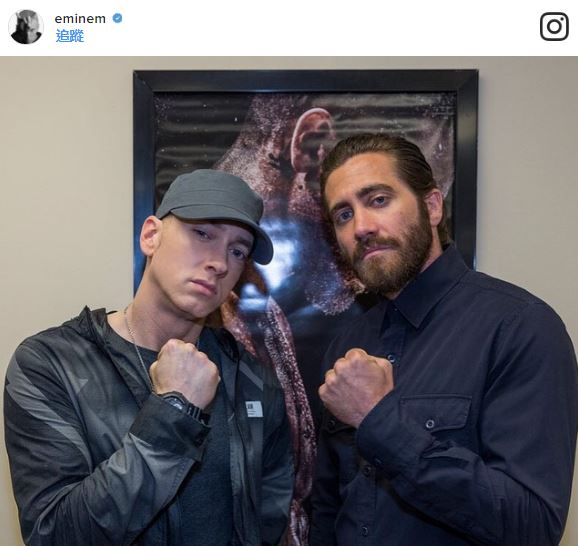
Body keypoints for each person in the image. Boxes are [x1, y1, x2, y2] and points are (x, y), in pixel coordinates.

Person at [309, 134, 578, 545]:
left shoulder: (519, 327)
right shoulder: (347, 345)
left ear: (432, 206)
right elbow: (329, 508)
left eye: (378, 200)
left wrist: (380, 421)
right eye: (343, 215)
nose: (361, 227)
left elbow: (534, 527)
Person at [4, 169, 293, 545]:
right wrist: (175, 410)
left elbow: (268, 521)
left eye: (237, 251)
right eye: (202, 233)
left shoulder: (254, 381)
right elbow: (55, 535)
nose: (220, 262)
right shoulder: (50, 365)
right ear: (151, 236)